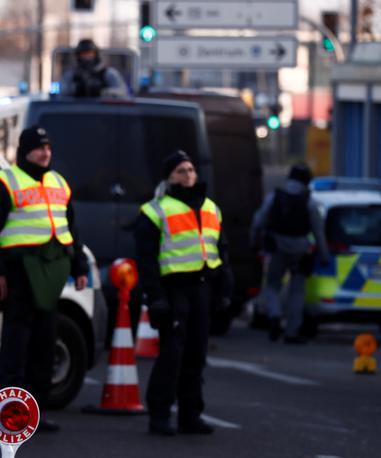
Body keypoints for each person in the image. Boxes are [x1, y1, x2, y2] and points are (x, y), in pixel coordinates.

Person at [0, 125, 89, 432]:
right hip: (18, 274)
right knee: (16, 346)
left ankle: (34, 414)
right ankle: (10, 412)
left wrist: (80, 267)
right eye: (39, 147)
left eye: (48, 147)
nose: (46, 152)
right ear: (26, 150)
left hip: (51, 275)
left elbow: (72, 231)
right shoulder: (4, 183)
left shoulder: (59, 183)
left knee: (44, 346)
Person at [135, 150, 230, 436]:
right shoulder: (155, 211)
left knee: (196, 354)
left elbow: (221, 250)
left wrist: (225, 288)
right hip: (173, 289)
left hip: (202, 286)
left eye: (190, 170)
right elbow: (147, 260)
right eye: (180, 171)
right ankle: (160, 415)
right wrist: (156, 298)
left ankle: (190, 416)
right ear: (169, 177)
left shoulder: (211, 208)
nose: (188, 175)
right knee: (172, 354)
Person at [250, 162, 329, 343]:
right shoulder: (310, 202)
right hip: (301, 249)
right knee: (297, 291)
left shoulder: (275, 197)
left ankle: (275, 316)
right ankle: (292, 332)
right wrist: (324, 255)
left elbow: (258, 221)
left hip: (277, 247)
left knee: (272, 285)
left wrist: (254, 242)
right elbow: (318, 232)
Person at [60, 38, 129, 97]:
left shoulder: (108, 73)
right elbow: (61, 93)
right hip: (76, 109)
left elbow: (122, 92)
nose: (87, 58)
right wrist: (76, 89)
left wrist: (102, 92)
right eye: (84, 54)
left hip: (103, 110)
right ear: (78, 56)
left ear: (96, 55)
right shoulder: (71, 75)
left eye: (90, 54)